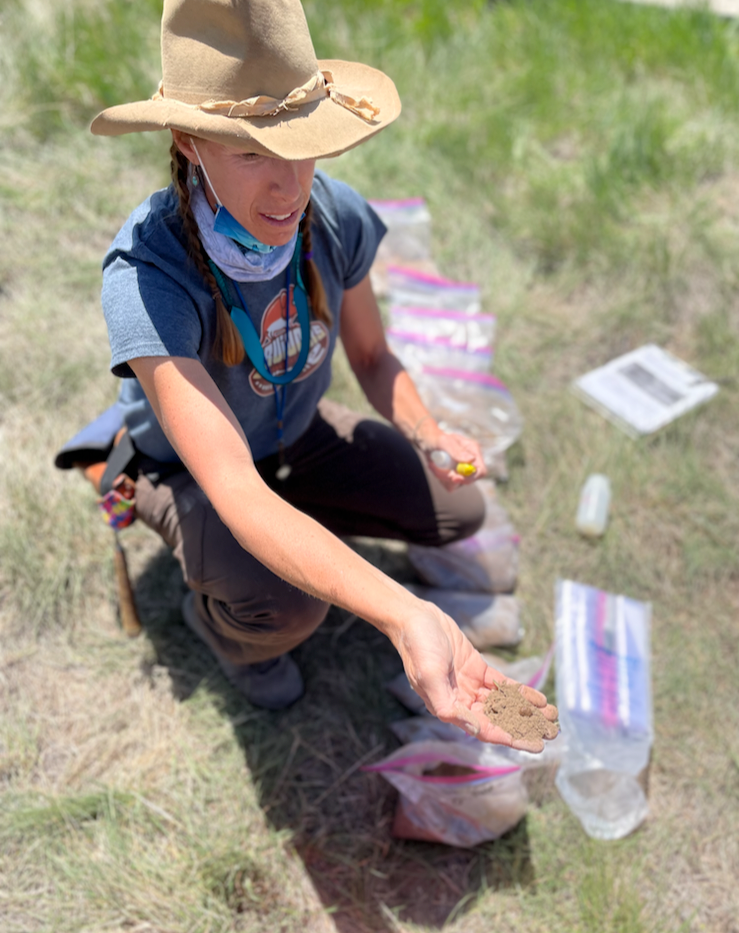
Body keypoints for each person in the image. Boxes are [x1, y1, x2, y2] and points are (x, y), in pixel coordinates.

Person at [89, 0, 557, 751]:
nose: (289, 187)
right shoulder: (149, 273)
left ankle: (296, 538)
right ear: (188, 142)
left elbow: (371, 358)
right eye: (250, 154)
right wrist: (406, 613)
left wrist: (426, 431)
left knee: (457, 510)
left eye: (304, 146)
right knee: (288, 610)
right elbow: (234, 487)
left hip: (293, 431)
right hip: (187, 472)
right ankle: (220, 622)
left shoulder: (330, 216)